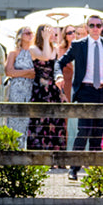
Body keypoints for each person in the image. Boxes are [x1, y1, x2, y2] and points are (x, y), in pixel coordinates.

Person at [56, 15, 103, 180]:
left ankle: (96, 172)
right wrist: (58, 77)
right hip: (86, 91)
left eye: (98, 25)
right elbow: (59, 62)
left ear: (102, 28)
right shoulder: (78, 45)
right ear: (87, 27)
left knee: (99, 132)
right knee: (84, 130)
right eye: (92, 25)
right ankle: (73, 169)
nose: (96, 28)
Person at [26, 24, 67, 154]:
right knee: (40, 121)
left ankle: (55, 156)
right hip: (39, 90)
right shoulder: (33, 49)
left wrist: (62, 92)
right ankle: (39, 154)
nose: (52, 35)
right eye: (48, 32)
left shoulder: (55, 48)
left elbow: (55, 66)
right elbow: (45, 57)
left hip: (52, 90)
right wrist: (45, 40)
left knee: (55, 122)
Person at [3, 25, 35, 138]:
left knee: (29, 118)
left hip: (31, 88)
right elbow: (9, 72)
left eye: (31, 33)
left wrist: (20, 72)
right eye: (27, 33)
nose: (30, 35)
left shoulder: (34, 52)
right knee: (16, 117)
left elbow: (37, 73)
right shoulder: (14, 52)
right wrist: (28, 72)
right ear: (20, 36)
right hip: (17, 89)